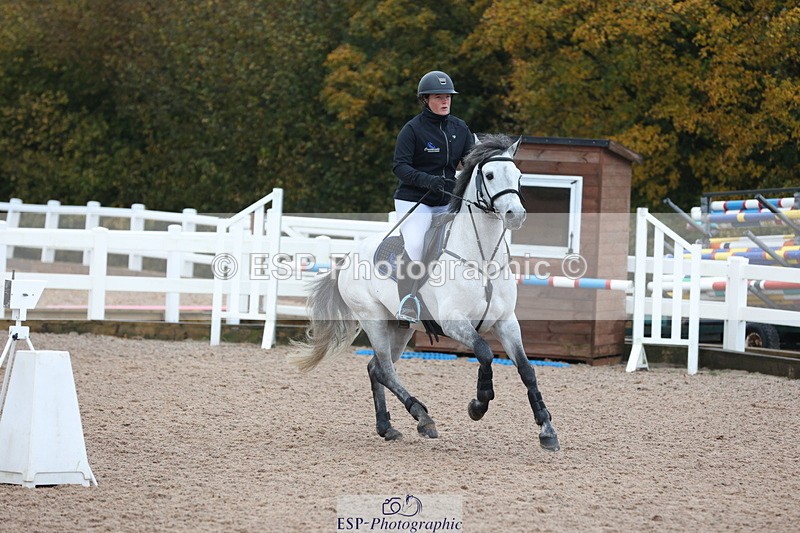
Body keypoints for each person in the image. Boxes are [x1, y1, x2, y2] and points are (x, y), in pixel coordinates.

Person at [392, 70, 474, 324]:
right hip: (415, 200)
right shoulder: (413, 130)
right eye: (439, 97)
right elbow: (400, 166)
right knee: (416, 244)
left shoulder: (460, 128)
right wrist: (428, 180)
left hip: (446, 200)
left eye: (448, 97)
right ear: (425, 99)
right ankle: (407, 301)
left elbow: (471, 163)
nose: (445, 101)